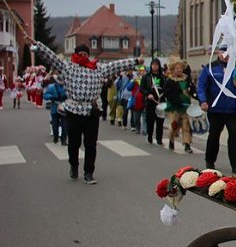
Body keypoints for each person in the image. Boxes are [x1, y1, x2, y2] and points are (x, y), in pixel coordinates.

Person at [30, 40, 142, 184]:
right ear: (75, 55)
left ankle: (89, 173)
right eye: (80, 54)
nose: (83, 56)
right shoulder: (68, 67)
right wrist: (38, 45)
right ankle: (74, 165)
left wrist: (135, 61)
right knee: (74, 143)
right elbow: (52, 57)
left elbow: (115, 66)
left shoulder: (97, 68)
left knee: (91, 144)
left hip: (92, 110)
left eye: (85, 54)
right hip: (74, 110)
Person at [197, 44, 236, 175]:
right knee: (214, 136)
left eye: (228, 53)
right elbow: (201, 86)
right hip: (215, 109)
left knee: (234, 137)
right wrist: (203, 101)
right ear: (218, 53)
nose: (226, 56)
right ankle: (210, 162)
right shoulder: (210, 68)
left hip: (232, 110)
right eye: (223, 53)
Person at [164, 56, 195, 153]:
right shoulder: (170, 81)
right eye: (177, 68)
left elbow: (193, 90)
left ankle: (187, 144)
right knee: (174, 125)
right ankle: (171, 139)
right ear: (173, 70)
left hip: (185, 107)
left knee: (186, 125)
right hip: (175, 107)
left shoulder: (186, 80)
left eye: (181, 68)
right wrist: (176, 101)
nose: (179, 70)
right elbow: (168, 93)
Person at [140, 58, 166, 145]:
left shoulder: (162, 77)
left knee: (160, 121)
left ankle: (159, 139)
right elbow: (141, 88)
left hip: (160, 102)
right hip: (150, 102)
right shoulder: (146, 77)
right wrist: (147, 94)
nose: (155, 66)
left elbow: (166, 88)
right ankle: (150, 136)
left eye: (156, 65)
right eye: (153, 65)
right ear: (151, 66)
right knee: (150, 121)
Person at [43, 74, 68, 145]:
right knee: (55, 124)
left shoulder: (67, 87)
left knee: (65, 125)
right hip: (55, 107)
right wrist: (51, 97)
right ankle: (56, 135)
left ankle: (64, 140)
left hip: (64, 107)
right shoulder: (51, 87)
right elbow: (45, 95)